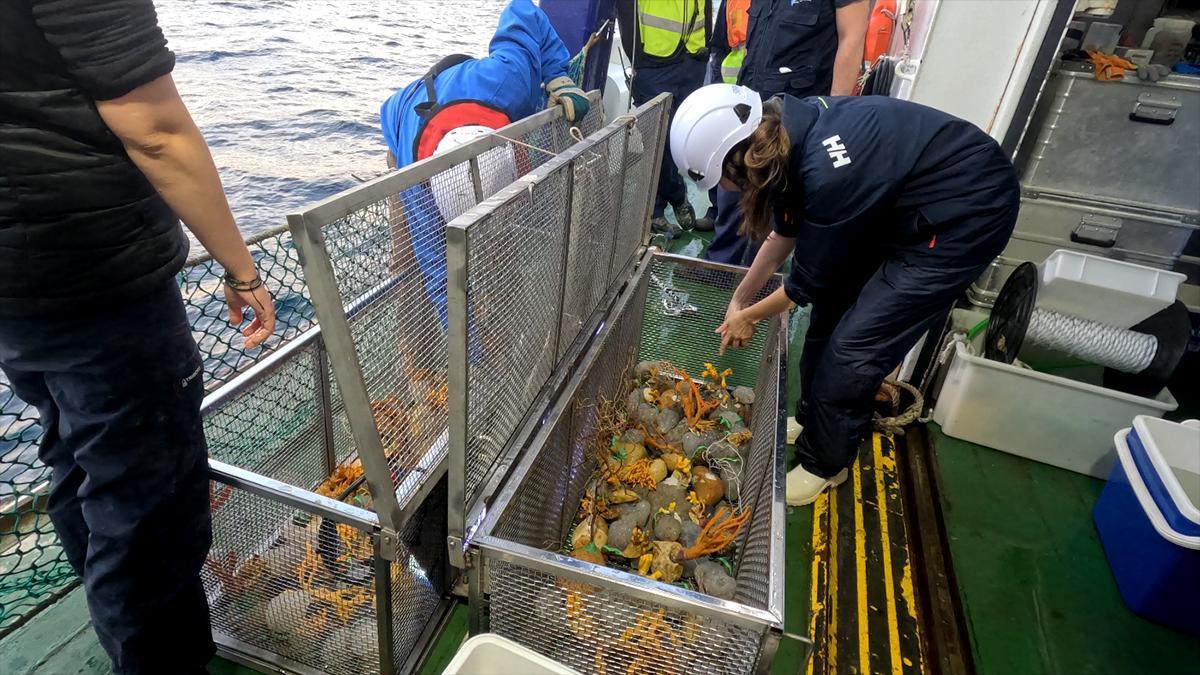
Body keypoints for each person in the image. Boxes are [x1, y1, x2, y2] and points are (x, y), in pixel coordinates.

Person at [0, 1, 277, 673]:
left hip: (16, 289)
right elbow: (155, 128)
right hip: (98, 276)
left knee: (78, 463)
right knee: (151, 510)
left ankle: (124, 639)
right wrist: (241, 271)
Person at [671, 84, 1019, 505]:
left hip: (965, 214)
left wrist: (749, 317)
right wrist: (740, 298)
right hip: (903, 203)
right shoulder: (783, 141)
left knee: (855, 345)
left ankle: (826, 464)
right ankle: (812, 420)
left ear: (738, 158)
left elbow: (802, 287)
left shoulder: (826, 172)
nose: (724, 191)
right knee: (830, 314)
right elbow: (785, 234)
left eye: (722, 181)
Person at [379, 0, 588, 326]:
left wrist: (558, 76)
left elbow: (523, 9)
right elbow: (438, 271)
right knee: (417, 261)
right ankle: (421, 360)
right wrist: (472, 358)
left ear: (515, 151)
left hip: (472, 100)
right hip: (407, 131)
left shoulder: (508, 82)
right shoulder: (415, 180)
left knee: (495, 247)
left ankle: (491, 314)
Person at [704, 0, 870, 266]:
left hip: (796, 112)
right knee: (734, 188)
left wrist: (834, 114)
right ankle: (720, 266)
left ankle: (758, 279)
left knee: (777, 200)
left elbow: (852, 37)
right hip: (751, 104)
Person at [617, 0, 713, 236]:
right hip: (653, 61)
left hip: (693, 57)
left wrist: (704, 47)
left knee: (681, 139)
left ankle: (662, 207)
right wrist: (639, 58)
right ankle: (669, 202)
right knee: (656, 139)